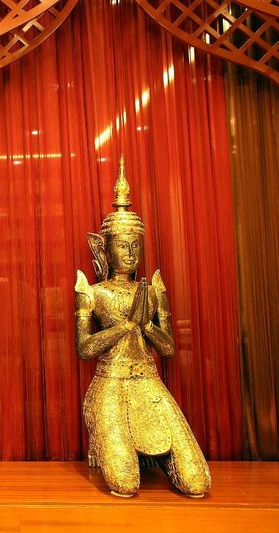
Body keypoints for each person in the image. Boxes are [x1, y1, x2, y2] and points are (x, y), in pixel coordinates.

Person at [74, 157, 210, 498]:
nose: (131, 253)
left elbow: (168, 349)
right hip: (110, 382)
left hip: (148, 382)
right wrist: (125, 326)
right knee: (124, 483)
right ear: (105, 248)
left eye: (136, 246)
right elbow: (85, 349)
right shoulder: (93, 292)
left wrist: (146, 324)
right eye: (123, 245)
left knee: (197, 481)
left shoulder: (152, 290)